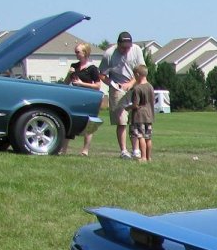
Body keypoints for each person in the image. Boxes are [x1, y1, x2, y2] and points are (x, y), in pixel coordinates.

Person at [99, 31, 145, 159]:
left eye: (128, 47)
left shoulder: (136, 50)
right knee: (121, 121)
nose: (126, 49)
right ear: (118, 44)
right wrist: (113, 84)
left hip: (134, 87)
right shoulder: (109, 54)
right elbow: (101, 74)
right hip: (117, 88)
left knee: (136, 120)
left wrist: (131, 83)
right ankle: (124, 151)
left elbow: (142, 71)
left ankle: (136, 150)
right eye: (123, 47)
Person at [61, 42, 101, 156]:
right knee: (69, 121)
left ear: (85, 53)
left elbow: (98, 86)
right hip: (74, 97)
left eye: (78, 52)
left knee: (89, 124)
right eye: (75, 52)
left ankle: (85, 150)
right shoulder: (74, 66)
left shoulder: (92, 68)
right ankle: (63, 149)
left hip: (88, 98)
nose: (76, 54)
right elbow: (66, 83)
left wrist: (82, 83)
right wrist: (69, 74)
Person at [128, 64, 155, 162]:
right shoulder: (150, 87)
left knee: (140, 136)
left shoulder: (137, 88)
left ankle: (143, 157)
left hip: (139, 116)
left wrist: (127, 108)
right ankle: (149, 157)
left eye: (134, 75)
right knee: (148, 137)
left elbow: (136, 104)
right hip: (149, 115)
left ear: (138, 74)